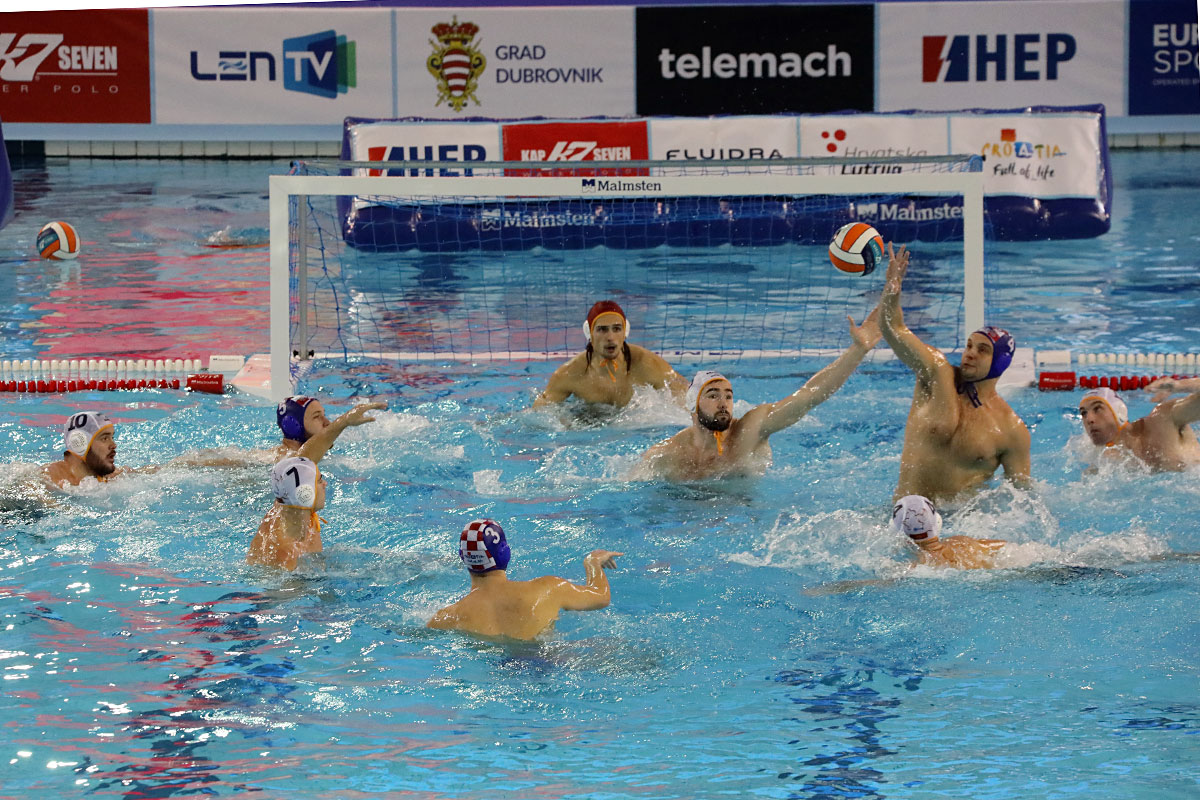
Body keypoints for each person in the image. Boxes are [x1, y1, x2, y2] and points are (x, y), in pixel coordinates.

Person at [634, 306, 881, 481]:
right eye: (713, 395)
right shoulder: (666, 455)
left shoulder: (749, 432)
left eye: (728, 395)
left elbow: (810, 395)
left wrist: (858, 350)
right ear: (693, 406)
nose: (723, 402)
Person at [879, 243, 1030, 502]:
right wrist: (892, 288)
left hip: (960, 520)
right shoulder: (937, 374)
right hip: (904, 512)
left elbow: (1024, 498)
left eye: (982, 350)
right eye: (969, 345)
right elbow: (894, 329)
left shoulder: (1011, 429)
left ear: (1000, 363)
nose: (970, 353)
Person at [427, 518, 623, 640]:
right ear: (505, 553)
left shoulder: (446, 618)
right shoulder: (548, 588)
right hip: (549, 663)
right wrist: (592, 563)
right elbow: (601, 596)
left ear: (463, 558)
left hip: (493, 675)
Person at [533, 300, 688, 409]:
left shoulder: (646, 363)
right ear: (590, 333)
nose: (610, 337)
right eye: (602, 329)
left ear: (625, 332)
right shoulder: (570, 374)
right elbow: (540, 412)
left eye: (616, 329)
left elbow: (685, 396)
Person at [41, 410, 243, 488]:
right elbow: (30, 487)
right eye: (104, 438)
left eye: (112, 437)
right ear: (80, 444)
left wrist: (219, 462)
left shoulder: (108, 478)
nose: (113, 445)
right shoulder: (51, 475)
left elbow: (165, 470)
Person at [1078, 381, 1200, 470]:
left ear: (1119, 411)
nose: (1089, 419)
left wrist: (1179, 386)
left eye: (1097, 409)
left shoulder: (1163, 419)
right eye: (1084, 413)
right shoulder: (1105, 463)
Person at [246, 456, 326, 571]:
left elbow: (292, 474)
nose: (325, 484)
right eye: (319, 481)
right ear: (305, 492)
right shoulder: (285, 554)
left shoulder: (289, 505)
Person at [275, 395, 387, 462]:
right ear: (293, 426)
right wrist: (344, 421)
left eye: (324, 415)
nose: (327, 422)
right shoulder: (276, 459)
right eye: (316, 417)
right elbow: (299, 462)